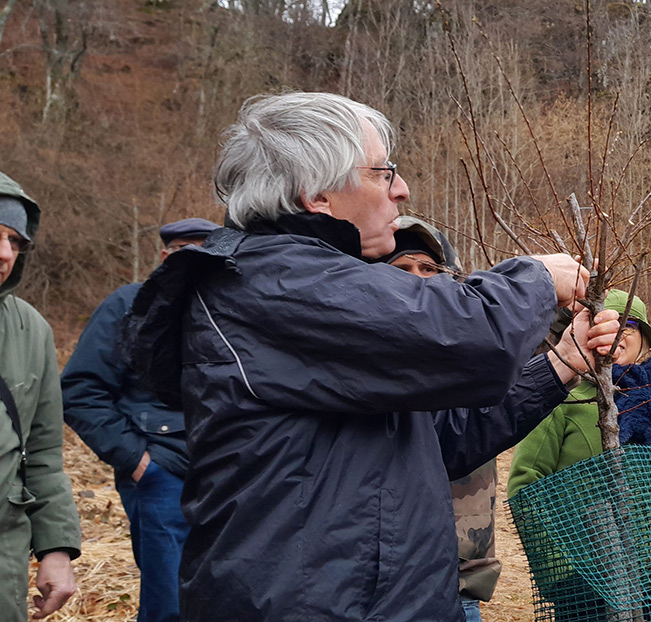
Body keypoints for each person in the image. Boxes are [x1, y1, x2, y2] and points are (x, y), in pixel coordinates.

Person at [121, 92, 621, 622]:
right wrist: (538, 277)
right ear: (316, 193)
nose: (402, 190)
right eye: (384, 173)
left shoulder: (309, 288)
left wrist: (561, 364)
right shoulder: (278, 284)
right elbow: (474, 336)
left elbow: (440, 440)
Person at [510, 289, 651, 622]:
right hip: (588, 587)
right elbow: (524, 487)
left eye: (627, 324)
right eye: (603, 324)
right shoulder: (561, 401)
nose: (616, 335)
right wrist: (562, 574)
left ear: (644, 338)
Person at [61, 217, 218, 622]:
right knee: (168, 605)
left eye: (206, 249)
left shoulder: (229, 309)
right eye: (185, 249)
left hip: (229, 475)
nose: (195, 258)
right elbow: (80, 390)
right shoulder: (127, 305)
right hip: (162, 474)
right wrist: (138, 463)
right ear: (165, 256)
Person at [381, 215, 495, 622]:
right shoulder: (364, 361)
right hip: (388, 585)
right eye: (402, 268)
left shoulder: (477, 354)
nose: (418, 279)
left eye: (429, 268)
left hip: (462, 581)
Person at [0, 171, 80, 620]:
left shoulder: (31, 330)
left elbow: (44, 453)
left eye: (15, 240)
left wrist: (56, 548)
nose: (4, 253)